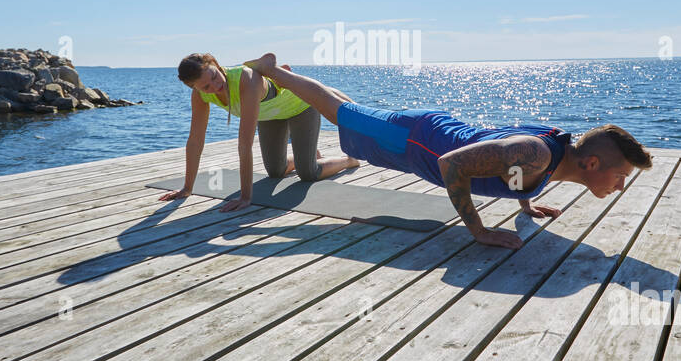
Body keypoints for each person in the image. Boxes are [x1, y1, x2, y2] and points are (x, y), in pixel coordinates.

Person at [244, 53, 653, 249]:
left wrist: (526, 202)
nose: (618, 187)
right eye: (620, 178)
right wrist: (479, 231)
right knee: (338, 113)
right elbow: (451, 164)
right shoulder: (538, 153)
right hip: (414, 141)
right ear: (593, 162)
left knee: (351, 112)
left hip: (427, 128)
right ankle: (272, 70)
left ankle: (285, 73)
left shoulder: (553, 155)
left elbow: (514, 165)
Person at [158, 53, 360, 212]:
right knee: (276, 171)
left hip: (301, 107)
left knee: (309, 173)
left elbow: (244, 143)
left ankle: (349, 160)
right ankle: (307, 155)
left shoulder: (246, 78)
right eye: (206, 86)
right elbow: (195, 141)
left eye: (214, 76)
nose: (215, 86)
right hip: (270, 117)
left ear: (215, 63)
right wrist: (187, 188)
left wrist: (246, 197)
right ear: (195, 88)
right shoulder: (200, 96)